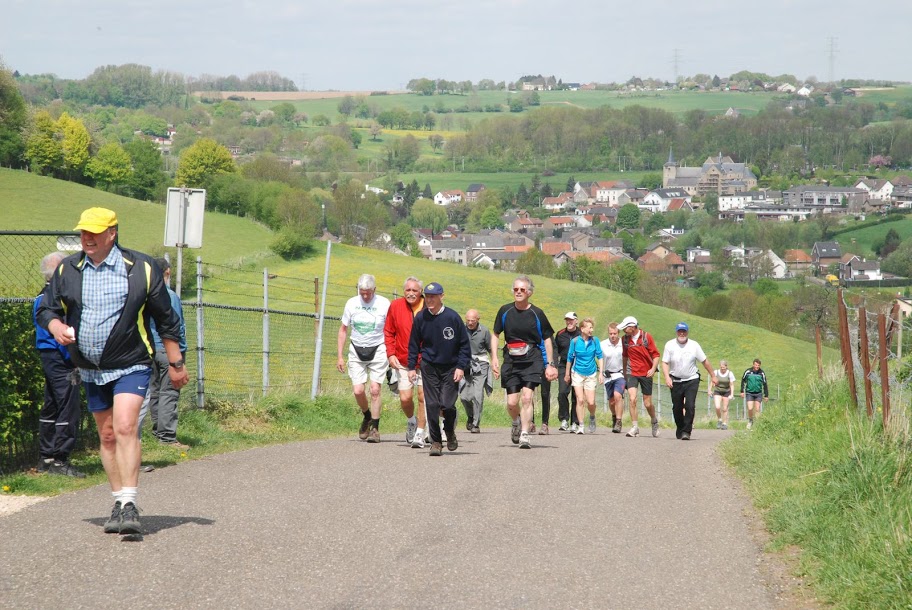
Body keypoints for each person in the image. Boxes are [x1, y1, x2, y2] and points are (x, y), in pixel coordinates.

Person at [37, 207, 188, 536]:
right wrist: (56, 324)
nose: (86, 238)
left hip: (132, 362)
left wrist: (176, 364)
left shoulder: (141, 268)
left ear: (112, 233)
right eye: (83, 232)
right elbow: (46, 307)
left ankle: (131, 503)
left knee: (124, 426)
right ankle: (118, 502)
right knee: (106, 436)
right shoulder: (69, 269)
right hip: (90, 368)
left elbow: (166, 320)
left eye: (94, 232)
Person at [33, 251, 85, 478]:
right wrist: (75, 359)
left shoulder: (39, 297)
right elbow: (63, 333)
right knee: (67, 405)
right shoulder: (56, 301)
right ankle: (60, 459)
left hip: (47, 354)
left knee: (52, 403)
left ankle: (46, 456)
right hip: (60, 355)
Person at [491, 275, 558, 450]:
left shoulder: (537, 313)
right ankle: (516, 422)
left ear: (529, 292)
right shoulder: (505, 311)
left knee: (527, 398)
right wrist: (494, 358)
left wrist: (550, 364)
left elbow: (548, 339)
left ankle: (525, 434)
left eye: (522, 290)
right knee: (512, 402)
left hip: (532, 359)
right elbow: (496, 334)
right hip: (511, 361)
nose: (518, 292)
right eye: (516, 289)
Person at [407, 282, 471, 456]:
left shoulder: (453, 317)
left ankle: (449, 431)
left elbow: (465, 346)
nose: (429, 300)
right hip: (429, 366)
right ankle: (436, 441)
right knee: (433, 404)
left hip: (451, 367)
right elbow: (413, 344)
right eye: (427, 296)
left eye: (433, 296)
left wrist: (461, 367)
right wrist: (411, 367)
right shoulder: (421, 317)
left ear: (442, 296)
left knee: (447, 404)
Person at [137, 257, 188, 449]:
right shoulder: (169, 296)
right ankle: (167, 436)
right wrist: (180, 354)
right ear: (166, 273)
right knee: (169, 392)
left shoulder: (144, 294)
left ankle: (158, 430)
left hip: (149, 349)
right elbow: (175, 326)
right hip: (168, 350)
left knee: (156, 391)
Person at [337, 274, 390, 443]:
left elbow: (390, 329)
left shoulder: (384, 303)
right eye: (362, 293)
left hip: (378, 348)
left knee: (375, 389)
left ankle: (375, 428)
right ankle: (367, 415)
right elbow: (343, 329)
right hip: (356, 349)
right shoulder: (351, 303)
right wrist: (340, 356)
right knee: (358, 390)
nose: (365, 296)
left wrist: (392, 353)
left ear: (374, 289)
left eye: (368, 292)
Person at [384, 276, 428, 447]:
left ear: (421, 292)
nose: (411, 293)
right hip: (403, 359)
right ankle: (411, 421)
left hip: (425, 360)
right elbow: (388, 331)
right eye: (408, 290)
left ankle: (420, 432)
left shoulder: (428, 307)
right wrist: (390, 354)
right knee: (405, 397)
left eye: (414, 290)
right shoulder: (395, 306)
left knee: (423, 396)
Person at [661, 322, 717, 440]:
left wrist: (713, 375)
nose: (682, 333)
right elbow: (665, 362)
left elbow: (704, 361)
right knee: (677, 407)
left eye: (684, 331)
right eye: (680, 331)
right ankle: (680, 427)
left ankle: (687, 431)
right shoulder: (670, 345)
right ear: (676, 332)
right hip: (675, 380)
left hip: (691, 379)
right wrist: (667, 377)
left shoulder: (694, 345)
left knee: (690, 405)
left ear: (687, 332)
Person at [618, 316, 661, 438]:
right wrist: (625, 373)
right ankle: (635, 427)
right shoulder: (624, 340)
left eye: (625, 328)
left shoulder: (647, 337)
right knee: (632, 399)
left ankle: (654, 421)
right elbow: (625, 356)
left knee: (647, 403)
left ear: (632, 327)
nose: (624, 331)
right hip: (632, 372)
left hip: (646, 372)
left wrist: (653, 369)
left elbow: (656, 355)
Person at [565, 317, 603, 435]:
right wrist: (567, 374)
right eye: (589, 327)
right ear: (582, 329)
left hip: (591, 373)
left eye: (592, 327)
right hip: (577, 373)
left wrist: (600, 373)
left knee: (591, 402)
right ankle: (580, 425)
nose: (591, 330)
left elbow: (600, 357)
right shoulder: (575, 341)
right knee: (580, 400)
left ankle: (592, 416)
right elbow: (569, 358)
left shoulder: (595, 340)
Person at [459, 309, 492, 433]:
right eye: (468, 320)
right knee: (464, 397)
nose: (470, 323)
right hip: (465, 364)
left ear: (478, 319)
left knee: (478, 394)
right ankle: (471, 416)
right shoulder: (461, 329)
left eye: (473, 320)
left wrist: (494, 364)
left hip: (481, 364)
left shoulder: (484, 331)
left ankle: (476, 424)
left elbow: (490, 348)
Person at [554, 312, 581, 432]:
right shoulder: (560, 334)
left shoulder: (582, 334)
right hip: (563, 366)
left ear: (576, 321)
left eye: (571, 320)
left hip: (578, 367)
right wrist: (554, 367)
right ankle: (564, 419)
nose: (569, 322)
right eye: (567, 320)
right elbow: (555, 352)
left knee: (576, 395)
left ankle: (575, 422)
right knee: (562, 392)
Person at [600, 322, 626, 434]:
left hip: (620, 374)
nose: (613, 336)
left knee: (618, 396)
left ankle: (619, 422)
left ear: (618, 333)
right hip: (608, 375)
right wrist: (600, 373)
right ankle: (614, 416)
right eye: (610, 333)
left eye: (615, 333)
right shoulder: (603, 344)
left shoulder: (623, 343)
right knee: (611, 402)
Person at [740, 358, 769, 430]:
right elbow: (743, 380)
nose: (757, 367)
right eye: (756, 365)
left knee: (757, 409)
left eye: (758, 365)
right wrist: (742, 391)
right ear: (753, 364)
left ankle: (757, 424)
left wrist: (766, 395)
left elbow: (765, 384)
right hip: (749, 393)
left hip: (758, 393)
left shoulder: (761, 373)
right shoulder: (748, 372)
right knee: (750, 408)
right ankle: (750, 420)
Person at [711, 360, 736, 430]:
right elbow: (712, 381)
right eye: (721, 367)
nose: (722, 369)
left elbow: (731, 384)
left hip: (726, 391)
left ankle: (724, 423)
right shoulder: (716, 372)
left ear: (726, 367)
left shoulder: (730, 373)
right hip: (717, 390)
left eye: (724, 368)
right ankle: (719, 419)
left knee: (725, 408)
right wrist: (710, 389)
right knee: (717, 406)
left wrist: (732, 394)